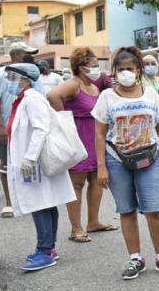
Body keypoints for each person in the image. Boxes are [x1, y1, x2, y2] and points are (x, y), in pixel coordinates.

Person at [92, 47, 159, 280]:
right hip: (117, 160)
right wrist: (101, 166)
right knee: (127, 210)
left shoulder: (151, 95)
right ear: (114, 72)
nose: (125, 73)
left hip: (149, 159)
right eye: (121, 69)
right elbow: (100, 134)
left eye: (130, 69)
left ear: (138, 70)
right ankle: (135, 258)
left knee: (153, 209)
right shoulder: (107, 97)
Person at [4, 63, 76, 271]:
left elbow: (40, 129)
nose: (10, 81)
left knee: (40, 204)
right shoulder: (24, 99)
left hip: (34, 161)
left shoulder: (32, 99)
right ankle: (48, 247)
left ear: (25, 79)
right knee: (47, 202)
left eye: (12, 78)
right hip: (32, 160)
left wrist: (29, 158)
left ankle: (45, 251)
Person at [47, 47, 116, 243]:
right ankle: (76, 228)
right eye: (92, 66)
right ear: (81, 67)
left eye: (97, 66)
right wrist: (64, 119)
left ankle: (93, 222)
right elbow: (52, 96)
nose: (96, 70)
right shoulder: (74, 84)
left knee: (97, 180)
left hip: (94, 137)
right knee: (77, 184)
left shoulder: (94, 87)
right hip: (77, 137)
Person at [0, 41, 39, 216]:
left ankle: (30, 199)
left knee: (28, 161)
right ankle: (10, 202)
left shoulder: (31, 73)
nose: (30, 58)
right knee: (5, 163)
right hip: (6, 125)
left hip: (26, 125)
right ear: (16, 55)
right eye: (26, 54)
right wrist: (0, 126)